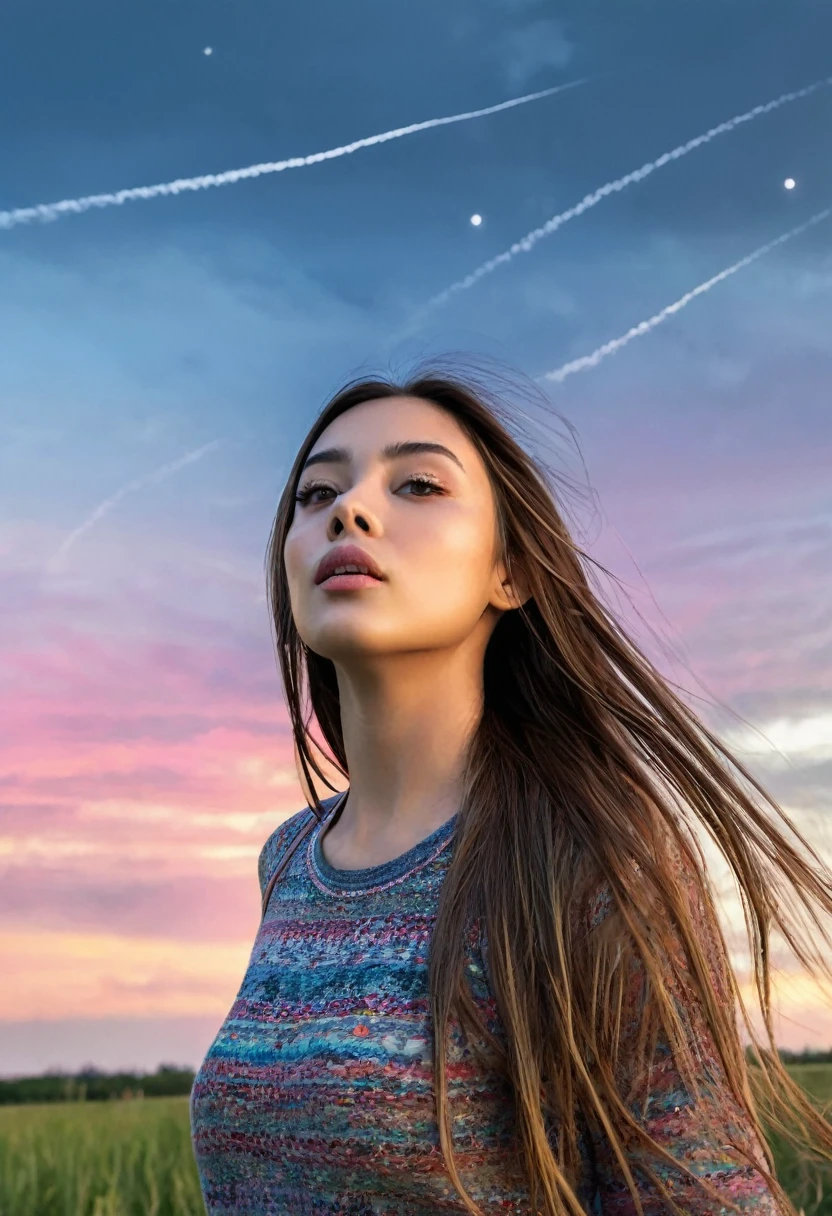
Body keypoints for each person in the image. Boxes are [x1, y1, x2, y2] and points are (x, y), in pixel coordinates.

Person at [190, 362, 832, 1215]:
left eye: (417, 483)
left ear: (512, 573)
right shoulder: (287, 863)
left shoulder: (592, 862)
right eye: (316, 494)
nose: (351, 509)